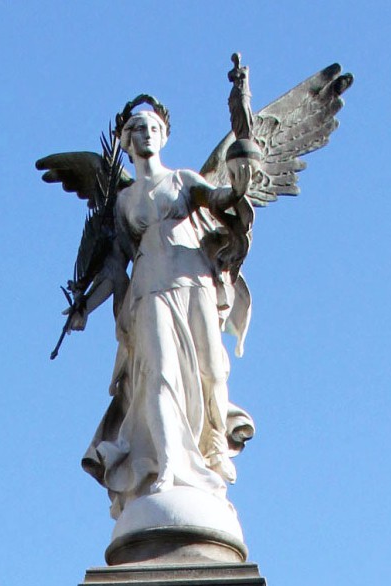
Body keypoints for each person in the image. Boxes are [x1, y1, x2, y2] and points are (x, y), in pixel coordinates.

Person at [76, 109, 253, 519]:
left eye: (154, 128)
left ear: (164, 136)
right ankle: (168, 463)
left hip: (194, 282)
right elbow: (115, 267)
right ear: (124, 141)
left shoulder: (184, 180)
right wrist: (85, 306)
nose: (147, 135)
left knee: (211, 371)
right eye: (138, 129)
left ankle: (211, 449)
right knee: (159, 375)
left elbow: (223, 199)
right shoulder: (123, 202)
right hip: (149, 291)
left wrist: (240, 179)